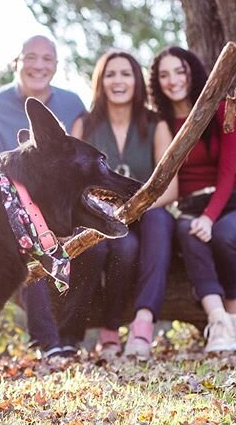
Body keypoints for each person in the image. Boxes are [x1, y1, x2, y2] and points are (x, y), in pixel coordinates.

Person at [0, 35, 86, 358]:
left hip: (60, 209)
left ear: (56, 66)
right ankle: (48, 343)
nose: (39, 65)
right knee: (27, 242)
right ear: (15, 63)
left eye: (47, 59)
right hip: (6, 211)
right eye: (30, 57)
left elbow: (77, 166)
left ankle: (74, 337)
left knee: (92, 240)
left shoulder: (73, 105)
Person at [60, 50, 177, 359]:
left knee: (162, 220)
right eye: (111, 74)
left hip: (144, 217)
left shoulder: (156, 124)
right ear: (100, 81)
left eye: (125, 73)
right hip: (97, 217)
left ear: (137, 81)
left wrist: (132, 210)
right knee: (123, 249)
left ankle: (143, 325)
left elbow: (170, 188)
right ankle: (109, 331)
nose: (118, 81)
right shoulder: (84, 125)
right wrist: (103, 212)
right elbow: (71, 184)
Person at [149, 46, 236, 352]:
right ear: (157, 83)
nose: (173, 80)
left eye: (179, 71)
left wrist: (210, 217)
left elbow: (227, 173)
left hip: (234, 204)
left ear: (193, 72)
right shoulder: (161, 125)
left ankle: (234, 317)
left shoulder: (225, 109)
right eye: (164, 75)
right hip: (190, 207)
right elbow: (166, 182)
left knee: (225, 235)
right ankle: (219, 323)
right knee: (187, 232)